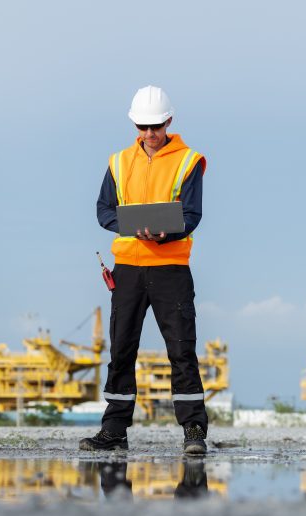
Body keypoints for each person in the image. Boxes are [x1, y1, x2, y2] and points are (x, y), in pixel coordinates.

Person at [81, 85, 209, 455]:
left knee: (181, 349)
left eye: (156, 126)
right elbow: (103, 210)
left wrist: (166, 233)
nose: (150, 133)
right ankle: (114, 431)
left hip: (171, 268)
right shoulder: (119, 162)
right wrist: (128, 227)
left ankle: (194, 430)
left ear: (169, 121)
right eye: (143, 127)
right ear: (134, 124)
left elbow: (192, 214)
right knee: (121, 349)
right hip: (128, 268)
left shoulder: (189, 160)